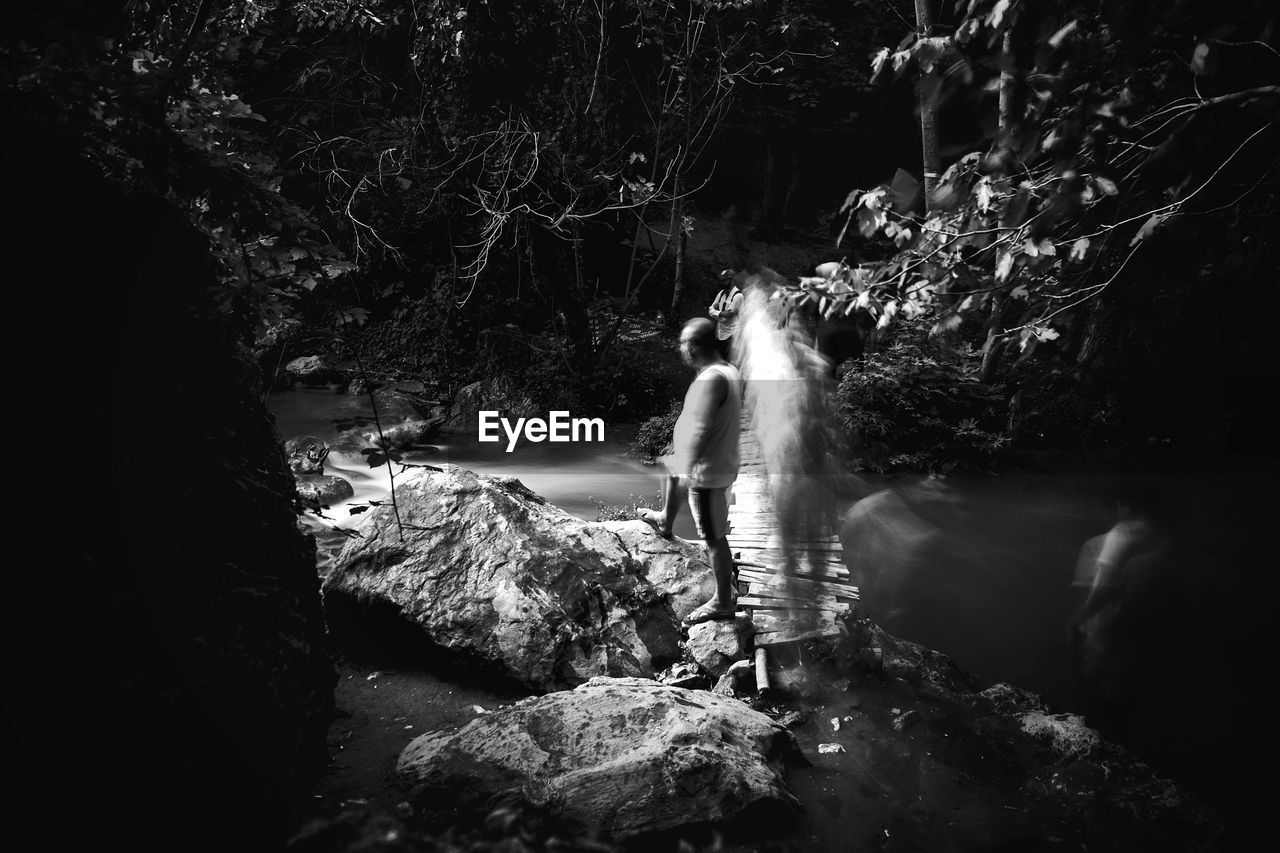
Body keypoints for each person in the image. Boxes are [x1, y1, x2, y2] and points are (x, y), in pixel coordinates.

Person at [638, 317, 743, 624]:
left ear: (695, 346)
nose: (680, 348)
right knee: (671, 474)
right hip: (714, 463)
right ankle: (665, 521)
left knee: (713, 537)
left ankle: (723, 601)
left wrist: (688, 463)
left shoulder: (712, 379)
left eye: (684, 342)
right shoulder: (726, 370)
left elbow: (702, 427)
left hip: (708, 472)